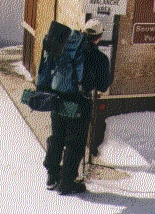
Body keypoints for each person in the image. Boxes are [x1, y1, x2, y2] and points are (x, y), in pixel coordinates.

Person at [43, 19, 110, 195]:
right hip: (79, 104)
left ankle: (52, 176)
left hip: (58, 100)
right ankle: (67, 182)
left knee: (57, 137)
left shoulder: (64, 46)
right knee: (75, 143)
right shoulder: (100, 58)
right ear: (99, 37)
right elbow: (103, 86)